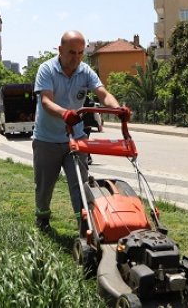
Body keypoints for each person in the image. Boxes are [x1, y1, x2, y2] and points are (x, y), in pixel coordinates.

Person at [32, 30, 124, 233]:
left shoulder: (85, 71)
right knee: (45, 186)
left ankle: (84, 224)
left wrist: (117, 109)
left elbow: (103, 93)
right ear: (60, 50)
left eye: (81, 53)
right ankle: (42, 217)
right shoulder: (46, 69)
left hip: (76, 138)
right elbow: (46, 101)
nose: (77, 58)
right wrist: (65, 114)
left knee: (80, 185)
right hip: (47, 139)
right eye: (72, 52)